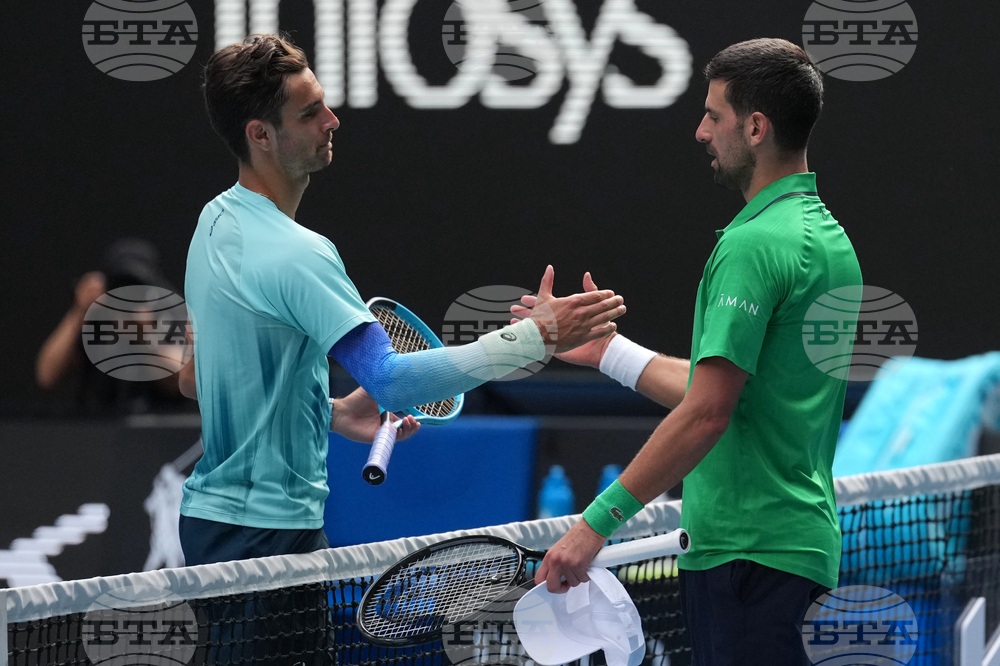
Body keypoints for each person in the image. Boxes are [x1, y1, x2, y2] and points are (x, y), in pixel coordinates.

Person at [180, 33, 625, 567]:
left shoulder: (212, 222)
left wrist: (331, 412)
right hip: (266, 537)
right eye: (309, 112)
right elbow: (390, 381)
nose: (332, 119)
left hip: (212, 523)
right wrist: (537, 336)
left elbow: (195, 377)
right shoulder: (299, 254)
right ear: (261, 135)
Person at [520, 39, 862, 665]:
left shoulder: (753, 245)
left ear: (755, 127)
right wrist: (610, 354)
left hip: (746, 554)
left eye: (714, 116)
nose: (700, 130)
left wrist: (594, 524)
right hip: (786, 546)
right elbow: (730, 398)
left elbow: (708, 415)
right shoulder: (826, 237)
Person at [36, 239, 190, 415]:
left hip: (155, 428)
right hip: (97, 428)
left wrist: (145, 338)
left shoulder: (166, 313)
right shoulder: (96, 317)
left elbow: (181, 381)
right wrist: (78, 312)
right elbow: (47, 376)